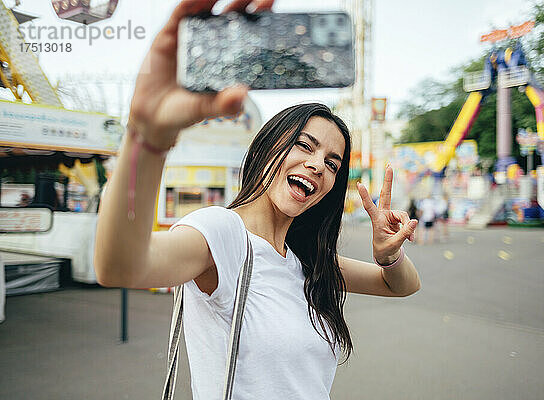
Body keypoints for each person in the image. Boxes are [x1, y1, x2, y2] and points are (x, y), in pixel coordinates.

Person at [93, 1, 420, 399]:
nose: (318, 165)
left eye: (333, 163)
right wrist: (145, 138)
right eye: (304, 145)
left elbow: (402, 285)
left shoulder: (306, 260)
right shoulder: (222, 234)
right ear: (267, 149)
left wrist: (389, 255)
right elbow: (121, 267)